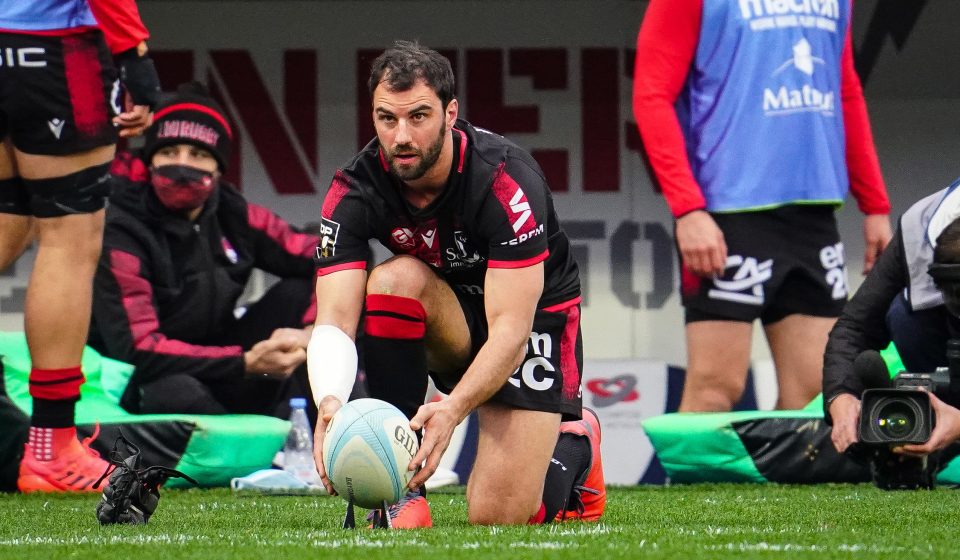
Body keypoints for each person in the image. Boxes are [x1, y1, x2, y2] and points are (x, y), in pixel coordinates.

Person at [308, 41, 604, 527]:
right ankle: (406, 489)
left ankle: (575, 445)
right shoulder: (353, 191)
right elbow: (335, 320)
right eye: (387, 119)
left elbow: (510, 328)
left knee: (497, 518)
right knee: (393, 282)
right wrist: (329, 401)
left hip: (529, 320)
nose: (401, 136)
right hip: (451, 316)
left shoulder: (505, 181)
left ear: (450, 114)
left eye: (419, 116)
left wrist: (451, 410)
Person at [633, 0, 893, 412]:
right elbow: (651, 95)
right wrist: (688, 209)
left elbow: (844, 90)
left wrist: (875, 204)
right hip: (728, 213)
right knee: (716, 387)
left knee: (813, 392)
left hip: (813, 212)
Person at [89, 83, 319, 423]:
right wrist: (242, 362)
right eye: (169, 152)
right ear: (150, 159)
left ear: (218, 167)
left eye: (198, 155)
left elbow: (332, 255)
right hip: (149, 378)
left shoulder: (234, 213)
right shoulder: (121, 229)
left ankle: (341, 437)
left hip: (227, 367)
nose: (182, 166)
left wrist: (315, 331)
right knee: (175, 394)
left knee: (304, 293)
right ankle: (255, 447)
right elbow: (137, 347)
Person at [1, 0, 160, 493]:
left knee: (10, 219)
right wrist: (133, 54)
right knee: (68, 237)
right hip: (51, 45)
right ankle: (51, 446)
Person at [826, 180, 960, 457]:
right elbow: (854, 328)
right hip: (947, 340)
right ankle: (932, 424)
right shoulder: (918, 228)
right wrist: (841, 396)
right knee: (904, 316)